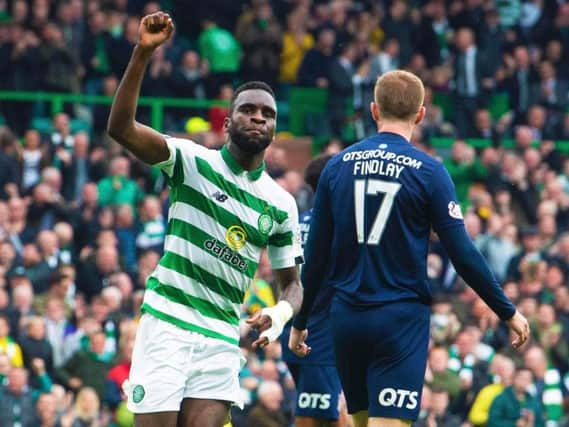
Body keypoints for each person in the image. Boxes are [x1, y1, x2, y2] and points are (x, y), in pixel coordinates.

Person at [289, 70, 530, 427]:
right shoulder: (430, 171)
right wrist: (507, 311)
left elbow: (317, 258)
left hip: (346, 320)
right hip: (398, 321)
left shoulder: (336, 167)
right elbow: (462, 253)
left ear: (373, 110)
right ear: (421, 114)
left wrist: (301, 321)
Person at [107, 11, 304, 427]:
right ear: (228, 120)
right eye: (248, 110)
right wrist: (142, 54)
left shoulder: (280, 203)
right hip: (168, 322)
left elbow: (293, 286)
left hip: (220, 333)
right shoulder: (191, 160)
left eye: (267, 114)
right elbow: (121, 128)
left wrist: (281, 316)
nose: (258, 118)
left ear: (274, 129)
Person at [279, 155, 347, 427]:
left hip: (297, 328)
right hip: (318, 337)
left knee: (331, 412)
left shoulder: (298, 223)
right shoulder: (338, 227)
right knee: (314, 418)